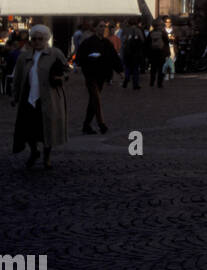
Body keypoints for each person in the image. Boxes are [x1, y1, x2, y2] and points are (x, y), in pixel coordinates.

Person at [11, 25, 69, 169]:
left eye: (40, 39)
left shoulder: (55, 54)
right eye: (34, 39)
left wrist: (61, 78)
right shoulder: (24, 56)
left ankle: (47, 157)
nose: (36, 42)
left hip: (48, 98)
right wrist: (15, 96)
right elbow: (17, 77)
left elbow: (67, 70)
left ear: (46, 39)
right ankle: (34, 151)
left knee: (47, 129)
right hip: (29, 98)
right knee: (28, 128)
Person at [77, 21, 123, 133]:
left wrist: (120, 70)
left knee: (93, 101)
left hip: (102, 76)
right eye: (100, 26)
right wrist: (90, 60)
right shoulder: (88, 42)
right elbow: (79, 58)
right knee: (96, 99)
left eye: (104, 27)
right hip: (91, 75)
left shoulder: (107, 43)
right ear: (95, 28)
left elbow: (113, 57)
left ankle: (86, 125)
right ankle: (101, 124)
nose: (103, 29)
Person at [122, 19, 145, 89]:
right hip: (136, 52)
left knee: (127, 67)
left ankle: (126, 78)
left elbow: (123, 41)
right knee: (135, 68)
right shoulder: (138, 30)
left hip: (127, 52)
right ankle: (135, 84)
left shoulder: (126, 30)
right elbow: (142, 40)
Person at [146, 22, 170, 88]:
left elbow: (147, 44)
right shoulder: (163, 33)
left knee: (153, 68)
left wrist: (147, 54)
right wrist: (167, 53)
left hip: (153, 53)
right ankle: (159, 83)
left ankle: (152, 82)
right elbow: (167, 42)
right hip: (161, 53)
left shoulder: (150, 33)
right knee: (161, 68)